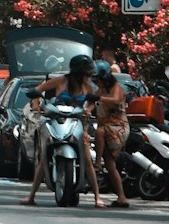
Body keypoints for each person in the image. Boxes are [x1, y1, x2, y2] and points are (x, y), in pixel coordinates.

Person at [19, 53, 101, 206]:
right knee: (44, 157)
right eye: (85, 74)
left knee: (87, 158)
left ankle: (97, 197)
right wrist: (36, 105)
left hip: (78, 123)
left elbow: (92, 101)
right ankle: (31, 196)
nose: (87, 77)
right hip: (56, 121)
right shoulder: (60, 81)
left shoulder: (88, 86)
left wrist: (88, 109)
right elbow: (37, 92)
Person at [92, 60, 131, 207]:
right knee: (110, 164)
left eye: (99, 80)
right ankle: (122, 197)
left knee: (99, 131)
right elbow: (91, 105)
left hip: (118, 127)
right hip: (106, 126)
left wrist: (98, 98)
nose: (97, 83)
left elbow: (115, 101)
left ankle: (97, 164)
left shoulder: (117, 88)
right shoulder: (99, 91)